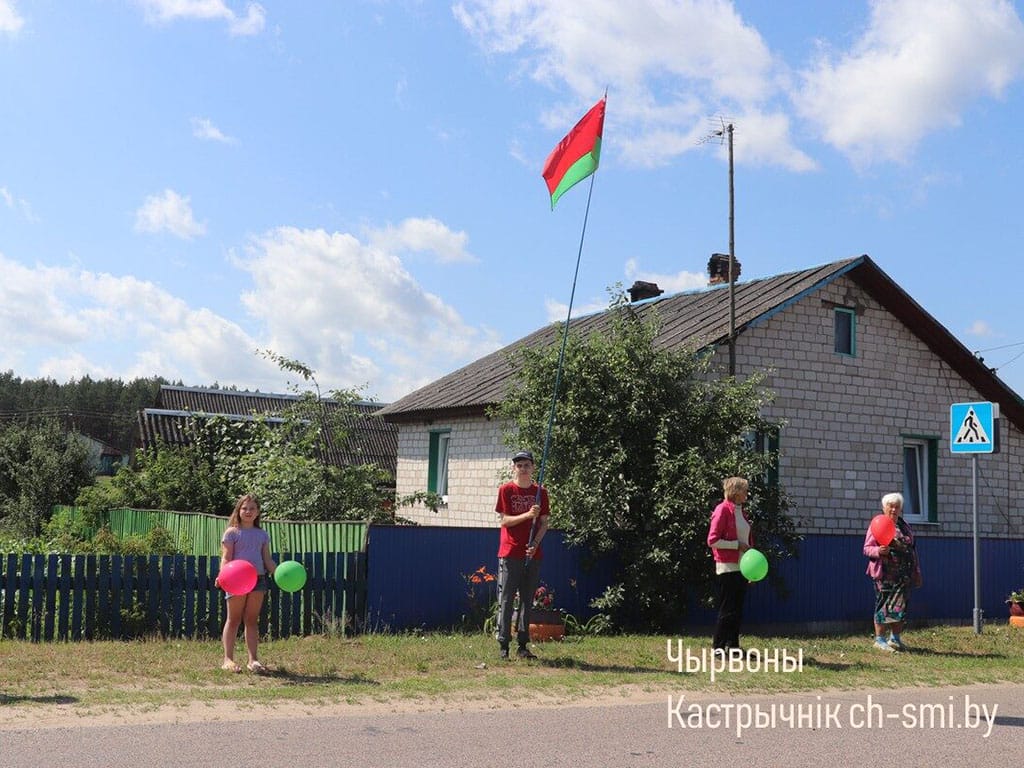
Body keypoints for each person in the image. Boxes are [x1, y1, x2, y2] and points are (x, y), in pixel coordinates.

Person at [494, 450, 550, 660]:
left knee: (527, 599)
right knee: (507, 599)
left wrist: (535, 544)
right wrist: (527, 514)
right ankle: (503, 644)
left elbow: (544, 523)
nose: (523, 468)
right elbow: (504, 521)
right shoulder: (506, 490)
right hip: (510, 552)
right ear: (513, 468)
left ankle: (523, 645)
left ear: (533, 467)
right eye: (519, 465)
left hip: (531, 554)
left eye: (527, 465)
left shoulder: (540, 492)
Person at [216, 493, 277, 673]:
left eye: (252, 508)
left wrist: (280, 573)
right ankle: (228, 660)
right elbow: (226, 557)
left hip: (258, 580)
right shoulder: (232, 532)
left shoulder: (262, 535)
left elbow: (267, 560)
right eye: (244, 508)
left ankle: (253, 661)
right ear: (238, 511)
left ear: (258, 512)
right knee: (233, 619)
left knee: (251, 620)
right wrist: (222, 576)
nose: (248, 511)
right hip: (236, 580)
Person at [863, 492, 922, 652]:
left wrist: (916, 571)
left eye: (897, 507)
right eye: (890, 506)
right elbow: (867, 549)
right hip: (885, 574)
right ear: (884, 508)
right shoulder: (878, 524)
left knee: (901, 607)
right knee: (883, 605)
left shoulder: (904, 526)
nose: (894, 510)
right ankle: (879, 639)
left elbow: (912, 549)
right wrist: (878, 551)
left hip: (904, 575)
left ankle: (895, 639)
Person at [707, 476, 753, 654]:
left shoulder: (741, 511)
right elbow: (712, 540)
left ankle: (733, 646)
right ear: (736, 492)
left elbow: (747, 540)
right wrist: (736, 545)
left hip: (743, 566)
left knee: (738, 609)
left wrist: (751, 570)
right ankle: (718, 646)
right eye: (744, 490)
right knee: (727, 609)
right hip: (727, 566)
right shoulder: (722, 510)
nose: (747, 494)